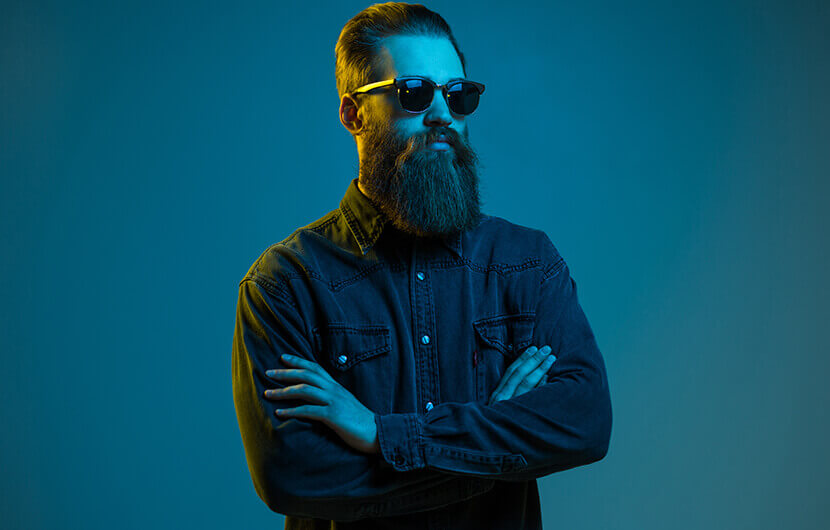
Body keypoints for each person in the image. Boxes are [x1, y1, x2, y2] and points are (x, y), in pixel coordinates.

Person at [232, 3, 612, 529]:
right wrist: (495, 441)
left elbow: (585, 422)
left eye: (458, 95)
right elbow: (293, 475)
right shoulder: (285, 284)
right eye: (413, 93)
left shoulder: (527, 264)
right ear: (353, 114)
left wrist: (381, 434)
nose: (442, 115)